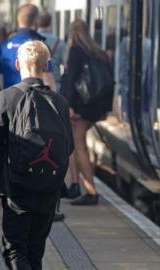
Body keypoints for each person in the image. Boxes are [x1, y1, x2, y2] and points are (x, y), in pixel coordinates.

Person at [0, 40, 73, 270]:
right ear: (47, 66)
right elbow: (68, 146)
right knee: (36, 249)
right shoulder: (60, 102)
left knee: (15, 249)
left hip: (16, 188)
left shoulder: (7, 98)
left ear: (17, 64)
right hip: (48, 189)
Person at [61, 19, 112, 205]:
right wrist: (106, 109)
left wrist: (69, 105)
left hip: (81, 106)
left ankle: (91, 192)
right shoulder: (99, 52)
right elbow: (109, 83)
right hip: (95, 106)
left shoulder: (76, 51)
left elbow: (71, 80)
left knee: (79, 144)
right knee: (74, 142)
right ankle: (75, 185)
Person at [0, 4, 55, 89]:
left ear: (18, 20)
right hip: (34, 100)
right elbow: (48, 79)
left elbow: (0, 79)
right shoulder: (40, 46)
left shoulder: (4, 46)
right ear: (37, 20)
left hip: (10, 98)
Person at [38, 12, 67, 92]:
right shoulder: (59, 42)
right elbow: (66, 64)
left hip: (36, 85)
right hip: (55, 85)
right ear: (50, 23)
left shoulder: (32, 39)